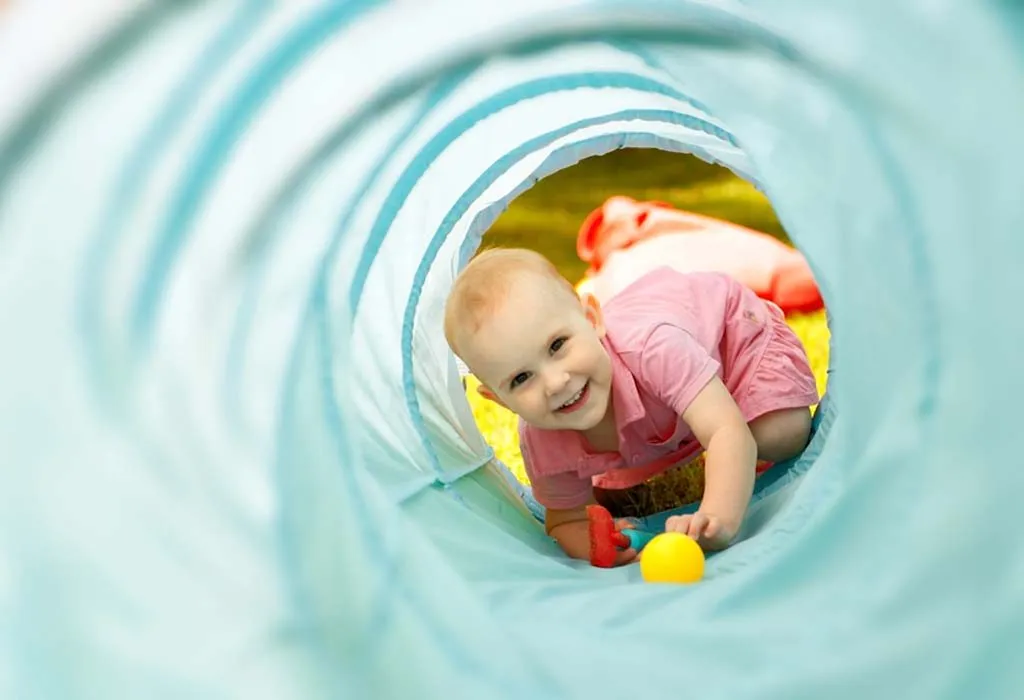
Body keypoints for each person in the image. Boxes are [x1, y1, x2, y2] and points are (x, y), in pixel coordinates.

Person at [444, 247, 818, 565]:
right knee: (613, 502)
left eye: (558, 345)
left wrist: (716, 519)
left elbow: (726, 430)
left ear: (591, 319)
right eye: (521, 379)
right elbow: (564, 520)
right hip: (661, 409)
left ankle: (734, 442)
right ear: (497, 399)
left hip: (731, 338)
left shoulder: (654, 350)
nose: (556, 382)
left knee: (779, 434)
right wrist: (597, 543)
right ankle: (695, 433)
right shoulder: (541, 439)